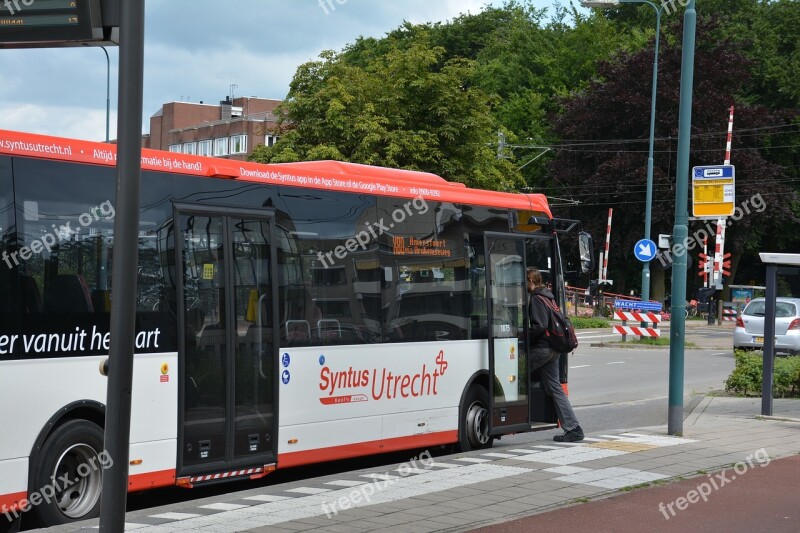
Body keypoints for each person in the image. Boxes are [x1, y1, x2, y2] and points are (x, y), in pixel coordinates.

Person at [527, 267, 584, 443]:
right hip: (555, 349)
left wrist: (523, 335)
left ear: (530, 281)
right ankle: (574, 428)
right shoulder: (549, 296)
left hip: (542, 349)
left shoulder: (536, 298)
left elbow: (540, 326)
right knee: (555, 387)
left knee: (513, 372)